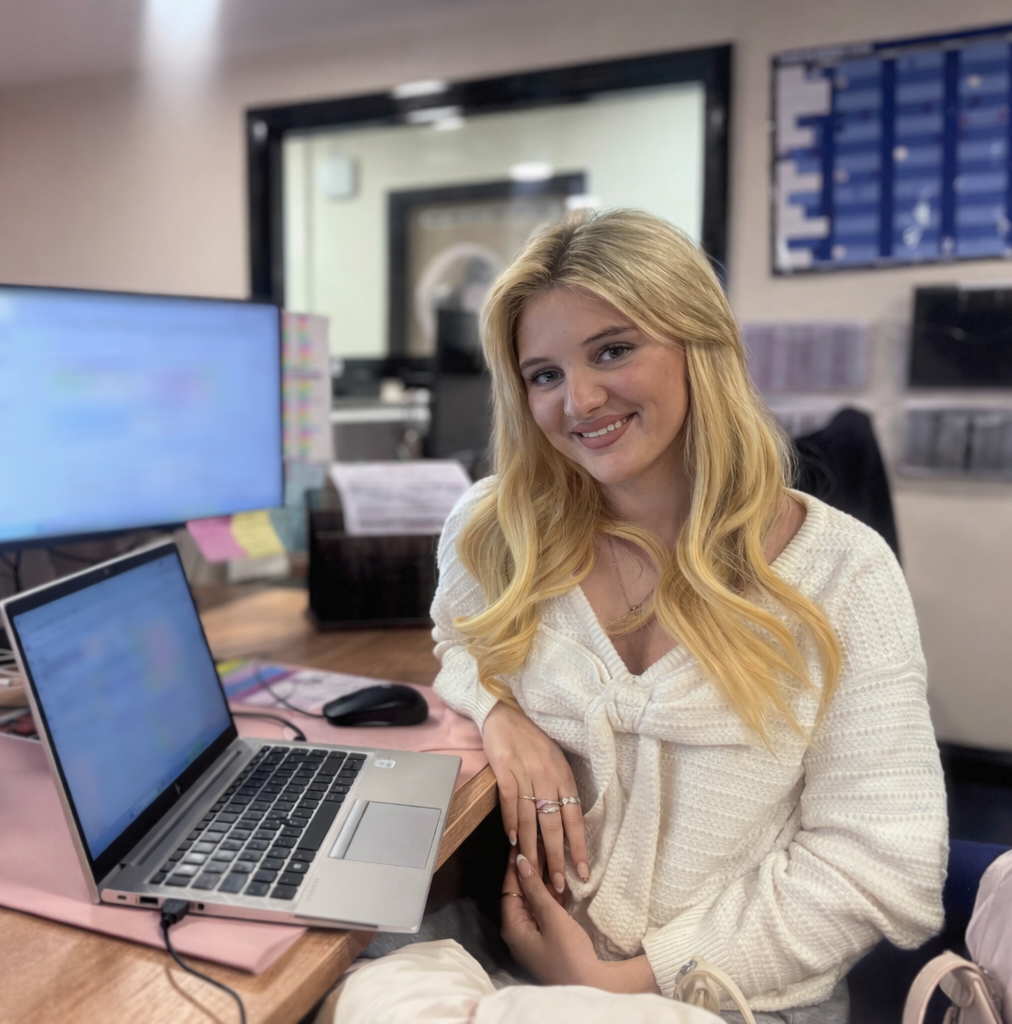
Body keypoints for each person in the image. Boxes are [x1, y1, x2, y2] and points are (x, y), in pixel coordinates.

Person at [341, 210, 948, 1023]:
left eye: (613, 351)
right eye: (544, 374)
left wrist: (628, 982)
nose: (579, 400)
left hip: (725, 997)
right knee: (308, 964)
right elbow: (456, 639)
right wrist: (498, 715)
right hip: (513, 958)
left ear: (701, 345)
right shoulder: (498, 527)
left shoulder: (844, 573)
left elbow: (885, 868)